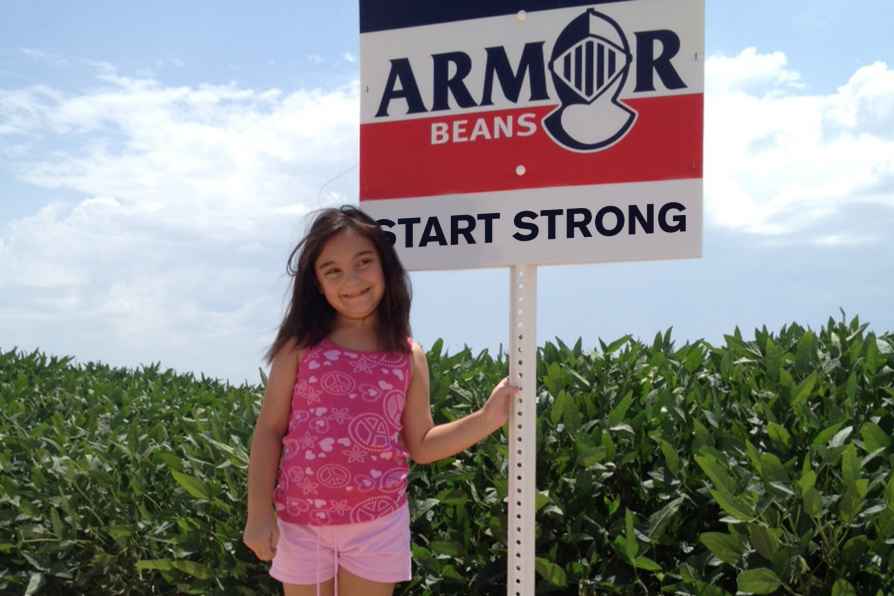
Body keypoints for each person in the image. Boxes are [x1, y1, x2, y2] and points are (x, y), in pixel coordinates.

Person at [242, 205, 521, 596]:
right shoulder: (299, 347)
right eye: (333, 270)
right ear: (316, 283)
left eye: (363, 262)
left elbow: (421, 444)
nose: (351, 280)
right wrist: (258, 513)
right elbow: (269, 430)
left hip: (377, 525)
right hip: (301, 523)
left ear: (385, 266)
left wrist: (487, 418)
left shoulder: (408, 355)